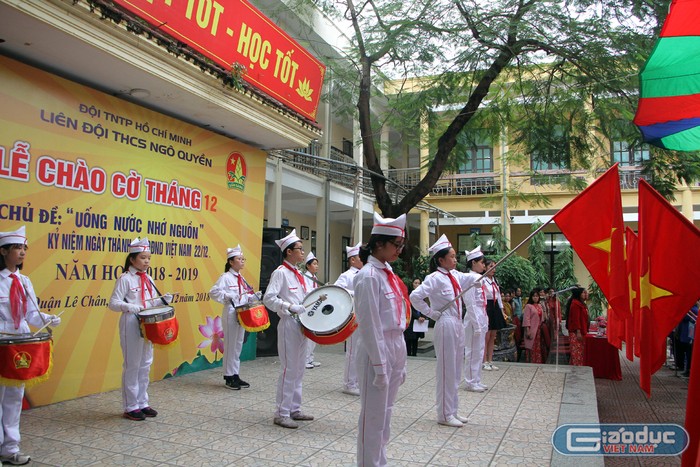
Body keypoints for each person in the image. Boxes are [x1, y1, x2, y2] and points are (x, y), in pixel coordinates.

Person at [0, 226, 61, 466]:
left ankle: (10, 448)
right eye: (17, 248)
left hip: (21, 344)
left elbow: (31, 315)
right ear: (3, 251)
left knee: (14, 397)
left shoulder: (24, 281)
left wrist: (47, 318)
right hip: (2, 341)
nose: (23, 252)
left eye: (24, 248)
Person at [354, 212, 409, 466]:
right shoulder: (368, 276)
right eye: (396, 245)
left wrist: (401, 360)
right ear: (378, 244)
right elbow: (370, 325)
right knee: (373, 418)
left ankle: (379, 462)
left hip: (395, 344)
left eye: (401, 245)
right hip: (377, 347)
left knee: (386, 414)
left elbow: (398, 317)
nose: (399, 250)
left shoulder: (389, 274)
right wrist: (379, 365)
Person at [410, 234, 479, 427]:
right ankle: (444, 414)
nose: (456, 260)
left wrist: (482, 274)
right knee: (446, 369)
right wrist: (431, 313)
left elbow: (470, 278)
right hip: (445, 323)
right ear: (441, 260)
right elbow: (415, 296)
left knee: (456, 369)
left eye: (456, 256)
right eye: (452, 256)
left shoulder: (455, 276)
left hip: (457, 323)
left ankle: (453, 410)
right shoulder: (435, 278)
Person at [109, 237, 172, 421]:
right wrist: (130, 307)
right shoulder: (125, 279)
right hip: (131, 322)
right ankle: (130, 406)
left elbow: (150, 302)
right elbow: (113, 303)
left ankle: (142, 402)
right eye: (143, 258)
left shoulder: (148, 278)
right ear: (132, 259)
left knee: (145, 364)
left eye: (148, 258)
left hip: (148, 323)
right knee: (132, 365)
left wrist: (163, 300)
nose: (146, 261)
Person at [262, 229, 314, 429]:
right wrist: (289, 307)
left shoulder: (300, 274)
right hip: (289, 324)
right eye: (300, 249)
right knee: (289, 369)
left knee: (299, 369)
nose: (303, 252)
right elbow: (269, 299)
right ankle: (281, 413)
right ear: (289, 252)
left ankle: (295, 408)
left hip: (303, 324)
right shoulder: (280, 273)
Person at [209, 245, 255, 390]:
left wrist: (252, 297)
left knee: (238, 345)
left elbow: (242, 295)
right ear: (231, 262)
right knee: (230, 345)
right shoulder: (225, 277)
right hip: (230, 312)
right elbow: (213, 292)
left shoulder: (241, 278)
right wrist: (227, 296)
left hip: (242, 313)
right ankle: (228, 376)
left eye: (243, 259)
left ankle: (235, 373)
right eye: (239, 259)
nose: (242, 261)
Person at [334, 242, 363, 395]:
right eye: (360, 257)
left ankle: (358, 380)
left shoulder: (364, 273)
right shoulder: (346, 276)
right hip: (352, 316)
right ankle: (349, 383)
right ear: (352, 260)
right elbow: (337, 290)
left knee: (362, 350)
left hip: (363, 316)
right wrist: (353, 293)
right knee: (353, 350)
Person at [462, 246, 489, 392]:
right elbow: (470, 303)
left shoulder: (480, 278)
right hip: (474, 317)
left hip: (481, 314)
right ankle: (471, 381)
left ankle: (477, 379)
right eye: (482, 262)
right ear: (473, 263)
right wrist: (476, 324)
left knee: (479, 350)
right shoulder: (469, 279)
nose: (484, 265)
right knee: (472, 350)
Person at [482, 259, 506, 371]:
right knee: (486, 336)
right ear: (485, 267)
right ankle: (484, 361)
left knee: (493, 336)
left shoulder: (494, 280)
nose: (493, 269)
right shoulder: (482, 280)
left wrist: (502, 310)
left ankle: (490, 360)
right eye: (491, 266)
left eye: (494, 266)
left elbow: (499, 296)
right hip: (487, 306)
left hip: (495, 307)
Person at [303, 252, 321, 370]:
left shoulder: (315, 278)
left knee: (314, 335)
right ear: (308, 266)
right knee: (308, 336)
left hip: (316, 307)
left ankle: (310, 358)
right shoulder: (305, 277)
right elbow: (307, 291)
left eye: (317, 264)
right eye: (314, 264)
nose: (316, 266)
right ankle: (305, 359)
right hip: (308, 308)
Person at [565, 287, 589, 366]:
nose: (585, 294)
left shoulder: (581, 303)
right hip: (576, 332)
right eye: (583, 292)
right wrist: (578, 331)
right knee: (577, 353)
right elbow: (576, 319)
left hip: (581, 331)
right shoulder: (575, 304)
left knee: (579, 353)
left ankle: (574, 369)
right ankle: (577, 370)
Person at [404, 278, 425, 357]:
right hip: (411, 320)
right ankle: (409, 354)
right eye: (415, 283)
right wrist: (417, 317)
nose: (417, 285)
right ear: (412, 284)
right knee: (409, 338)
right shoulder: (409, 295)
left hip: (419, 320)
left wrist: (423, 316)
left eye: (418, 283)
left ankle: (414, 354)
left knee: (416, 338)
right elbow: (409, 308)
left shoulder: (422, 295)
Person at [522, 289, 544, 364]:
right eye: (534, 296)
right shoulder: (528, 306)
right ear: (531, 297)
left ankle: (538, 361)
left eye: (537, 296)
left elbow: (543, 317)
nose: (535, 298)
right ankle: (531, 362)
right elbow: (526, 319)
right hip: (531, 329)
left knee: (538, 347)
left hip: (539, 330)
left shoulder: (540, 305)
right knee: (531, 346)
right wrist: (527, 330)